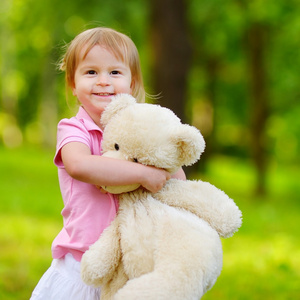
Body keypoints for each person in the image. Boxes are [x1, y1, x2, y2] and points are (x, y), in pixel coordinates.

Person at [30, 27, 186, 300]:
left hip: (134, 266)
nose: (103, 81)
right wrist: (142, 173)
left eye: (114, 72)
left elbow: (177, 181)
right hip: (84, 264)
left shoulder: (143, 129)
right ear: (73, 85)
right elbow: (79, 165)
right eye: (91, 72)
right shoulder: (73, 129)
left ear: (132, 82)